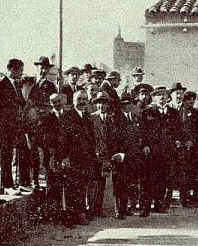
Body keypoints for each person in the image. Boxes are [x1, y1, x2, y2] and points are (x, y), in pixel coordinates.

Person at [140, 86, 183, 216]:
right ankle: (145, 207)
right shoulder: (147, 112)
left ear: (168, 97)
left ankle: (159, 204)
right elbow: (143, 131)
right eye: (159, 95)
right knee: (149, 179)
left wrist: (177, 140)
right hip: (152, 151)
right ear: (154, 97)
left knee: (163, 178)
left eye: (164, 95)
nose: (162, 97)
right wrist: (146, 144)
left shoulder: (173, 112)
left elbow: (178, 129)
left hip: (167, 150)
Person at [58, 90, 97, 226]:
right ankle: (70, 218)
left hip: (85, 159)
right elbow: (62, 139)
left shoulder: (87, 117)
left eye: (84, 99)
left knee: (82, 187)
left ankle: (80, 214)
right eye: (79, 99)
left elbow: (91, 139)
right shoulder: (67, 117)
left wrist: (92, 156)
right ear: (73, 101)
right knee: (71, 189)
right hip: (72, 159)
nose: (82, 102)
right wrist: (64, 157)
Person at [0, 59, 27, 196]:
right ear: (13, 70)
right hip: (6, 127)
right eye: (20, 70)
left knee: (20, 153)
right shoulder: (0, 86)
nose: (22, 73)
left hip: (16, 126)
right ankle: (7, 185)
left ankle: (18, 183)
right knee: (6, 156)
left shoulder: (16, 85)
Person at [24, 56, 58, 191]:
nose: (43, 70)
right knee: (31, 154)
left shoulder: (51, 87)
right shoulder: (27, 83)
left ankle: (48, 182)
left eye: (46, 68)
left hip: (44, 126)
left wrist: (39, 110)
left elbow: (51, 106)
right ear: (37, 68)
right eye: (41, 68)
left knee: (45, 153)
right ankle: (34, 181)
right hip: (29, 126)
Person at [91, 91, 125, 219]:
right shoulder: (92, 118)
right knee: (97, 183)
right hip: (97, 155)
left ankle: (116, 210)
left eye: (104, 104)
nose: (102, 106)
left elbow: (117, 137)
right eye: (99, 104)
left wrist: (116, 153)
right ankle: (95, 209)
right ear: (96, 105)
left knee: (113, 182)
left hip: (110, 155)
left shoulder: (113, 118)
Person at [39, 93, 66, 219]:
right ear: (51, 103)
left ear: (63, 101)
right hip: (51, 156)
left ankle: (64, 213)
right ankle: (52, 214)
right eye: (53, 102)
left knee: (65, 186)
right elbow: (44, 139)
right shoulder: (46, 118)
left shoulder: (68, 116)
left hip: (65, 156)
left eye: (58, 101)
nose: (57, 104)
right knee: (52, 186)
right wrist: (52, 154)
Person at [169, 83, 197, 207]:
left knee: (184, 172)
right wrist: (172, 141)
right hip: (171, 145)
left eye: (181, 93)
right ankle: (167, 199)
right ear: (171, 95)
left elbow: (193, 128)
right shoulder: (168, 108)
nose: (179, 95)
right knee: (169, 172)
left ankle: (184, 199)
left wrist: (190, 140)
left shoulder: (189, 109)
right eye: (176, 93)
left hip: (185, 146)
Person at [116, 93, 143, 214]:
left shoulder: (136, 117)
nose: (127, 106)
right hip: (122, 155)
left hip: (134, 154)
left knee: (132, 181)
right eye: (124, 104)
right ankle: (121, 208)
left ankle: (130, 205)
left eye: (129, 104)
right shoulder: (116, 118)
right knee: (122, 182)